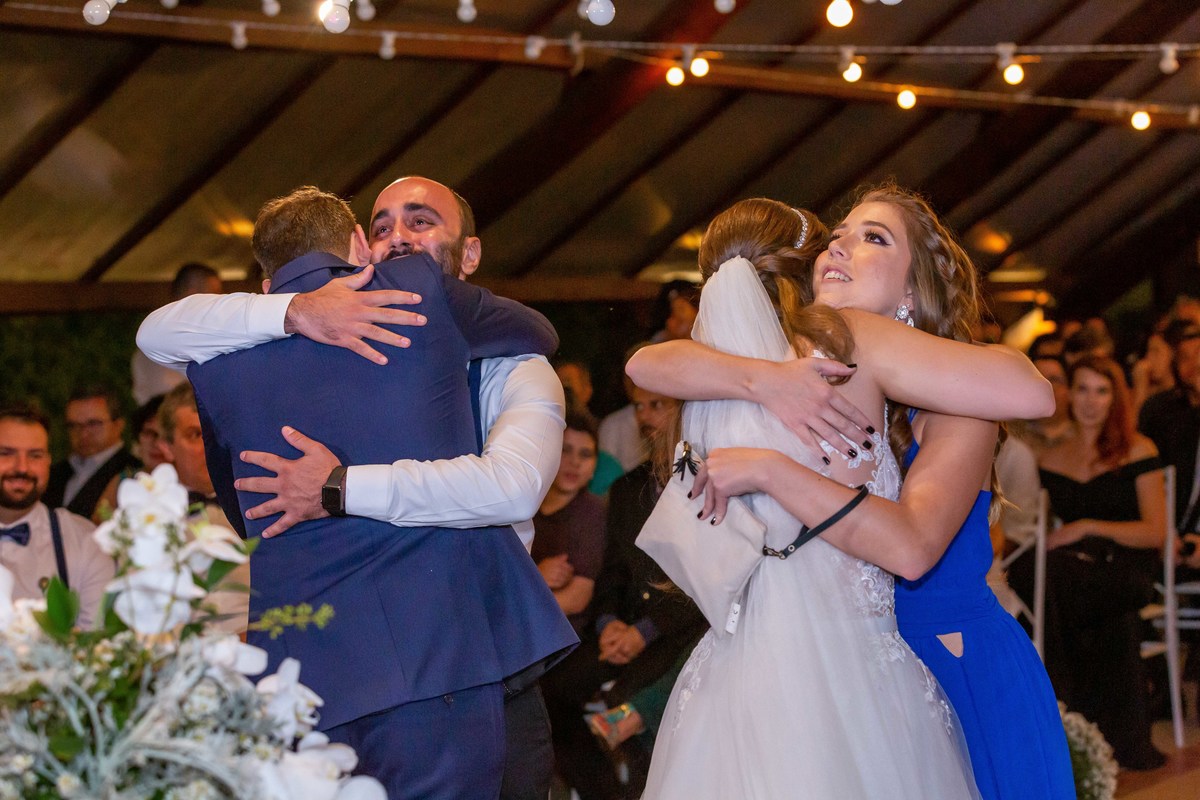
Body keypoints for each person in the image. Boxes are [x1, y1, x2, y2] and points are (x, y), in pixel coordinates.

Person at [138, 176, 572, 800]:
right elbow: (157, 330)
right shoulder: (284, 330)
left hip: (489, 658)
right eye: (382, 225)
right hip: (404, 668)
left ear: (470, 254)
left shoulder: (517, 366)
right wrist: (298, 311)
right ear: (357, 247)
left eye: (419, 223)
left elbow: (511, 488)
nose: (397, 237)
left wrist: (339, 487)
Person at [627, 195, 1059, 799]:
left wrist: (770, 468)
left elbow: (913, 543)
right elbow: (649, 362)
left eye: (874, 238)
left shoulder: (962, 403)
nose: (840, 246)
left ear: (912, 289)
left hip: (955, 663)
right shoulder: (796, 365)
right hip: (828, 669)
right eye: (838, 234)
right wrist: (767, 381)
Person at [541, 385, 705, 800]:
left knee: (632, 703)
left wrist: (643, 632)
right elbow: (612, 571)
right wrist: (610, 622)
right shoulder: (629, 486)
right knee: (551, 691)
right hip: (621, 629)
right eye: (638, 406)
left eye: (658, 404)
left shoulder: (705, 483)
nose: (646, 416)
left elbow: (703, 584)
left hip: (674, 634)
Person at [1013, 355, 1167, 770]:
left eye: (1102, 390)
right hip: (1079, 575)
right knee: (1036, 573)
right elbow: (1034, 527)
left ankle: (1067, 711)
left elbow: (1156, 531)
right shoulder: (1050, 457)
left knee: (1051, 586)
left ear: (1115, 396)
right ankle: (1096, 736)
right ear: (1067, 394)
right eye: (1082, 388)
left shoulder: (1137, 448)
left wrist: (1086, 527)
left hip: (1128, 566)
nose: (1091, 401)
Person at [0, 404, 114, 629]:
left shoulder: (86, 542)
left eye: (35, 455)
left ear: (48, 461)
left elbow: (95, 644)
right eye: (6, 453)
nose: (22, 468)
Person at [155, 383, 250, 636]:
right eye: (195, 435)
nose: (210, 448)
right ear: (166, 446)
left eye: (217, 434)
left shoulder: (261, 504)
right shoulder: (150, 520)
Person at [531, 409, 606, 634]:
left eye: (585, 454)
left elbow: (577, 597)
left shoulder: (592, 513)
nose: (575, 462)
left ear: (594, 467)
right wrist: (536, 575)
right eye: (565, 450)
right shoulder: (525, 502)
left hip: (560, 637)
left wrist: (521, 614)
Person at [43, 385, 141, 520]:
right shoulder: (54, 473)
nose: (83, 433)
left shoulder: (134, 473)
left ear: (118, 425)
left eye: (93, 423)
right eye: (73, 425)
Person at [131, 263, 222, 405]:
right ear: (193, 296)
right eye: (215, 295)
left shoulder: (213, 340)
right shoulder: (153, 345)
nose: (221, 304)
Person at [94, 394, 167, 523]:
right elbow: (98, 527)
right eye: (149, 433)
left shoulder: (190, 482)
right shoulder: (124, 480)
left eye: (164, 435)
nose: (156, 443)